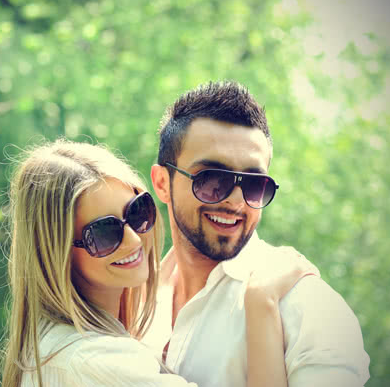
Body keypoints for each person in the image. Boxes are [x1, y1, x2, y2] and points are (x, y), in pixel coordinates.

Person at [0, 139, 319, 387]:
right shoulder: (90, 360)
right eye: (105, 233)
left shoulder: (52, 346)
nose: (135, 241)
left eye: (137, 213)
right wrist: (261, 300)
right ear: (55, 254)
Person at [145, 81, 371, 386]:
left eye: (254, 184)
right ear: (162, 183)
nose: (236, 201)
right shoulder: (135, 297)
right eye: (212, 179)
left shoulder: (308, 308)